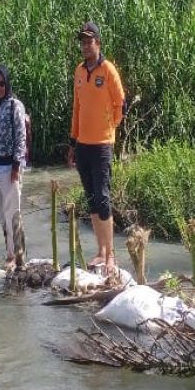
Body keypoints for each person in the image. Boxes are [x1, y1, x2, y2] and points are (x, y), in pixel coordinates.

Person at [68, 22, 125, 269]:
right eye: (82, 41)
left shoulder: (108, 70)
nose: (85, 45)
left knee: (102, 197)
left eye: (89, 41)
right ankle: (100, 251)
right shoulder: (79, 72)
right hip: (82, 144)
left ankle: (111, 254)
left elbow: (120, 103)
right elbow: (77, 108)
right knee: (91, 197)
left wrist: (110, 126)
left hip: (102, 144)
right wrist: (73, 140)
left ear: (98, 43)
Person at [0, 65, 28, 266]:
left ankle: (18, 256)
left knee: (13, 214)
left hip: (10, 167)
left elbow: (21, 135)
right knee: (2, 216)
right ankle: (10, 252)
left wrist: (17, 165)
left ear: (8, 83)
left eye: (2, 83)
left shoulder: (14, 105)